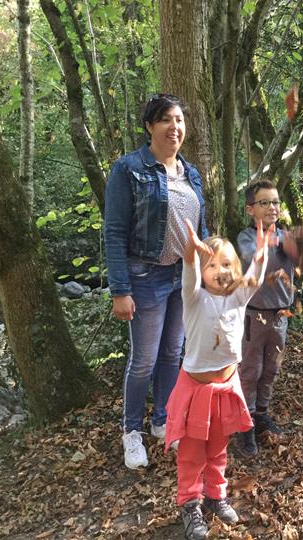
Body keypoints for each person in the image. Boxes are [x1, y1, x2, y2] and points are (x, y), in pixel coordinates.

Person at [104, 93, 209, 469]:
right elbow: (114, 232)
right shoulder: (128, 170)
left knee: (172, 354)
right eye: (165, 119)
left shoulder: (191, 172)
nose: (174, 127)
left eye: (179, 120)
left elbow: (201, 230)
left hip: (184, 276)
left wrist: (210, 273)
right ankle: (132, 431)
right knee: (144, 360)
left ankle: (162, 419)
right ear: (150, 126)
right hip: (144, 276)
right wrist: (120, 290)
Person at [165, 218, 270, 540]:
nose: (220, 270)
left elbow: (253, 279)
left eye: (227, 263)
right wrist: (191, 255)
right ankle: (190, 503)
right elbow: (190, 276)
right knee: (192, 452)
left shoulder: (237, 299)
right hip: (196, 388)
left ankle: (215, 495)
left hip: (227, 387)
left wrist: (262, 256)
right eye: (212, 265)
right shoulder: (195, 298)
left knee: (218, 448)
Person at [235, 180, 299, 457]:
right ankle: (244, 424)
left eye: (275, 202)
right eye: (265, 202)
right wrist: (272, 241)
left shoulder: (288, 238)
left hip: (280, 315)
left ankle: (260, 414)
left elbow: (302, 254)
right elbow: (252, 256)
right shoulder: (246, 238)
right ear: (251, 209)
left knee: (271, 370)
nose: (272, 207)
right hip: (253, 315)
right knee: (250, 371)